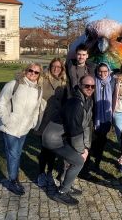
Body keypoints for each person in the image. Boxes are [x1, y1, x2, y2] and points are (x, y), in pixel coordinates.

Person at [0, 63, 43, 195]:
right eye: (31, 70)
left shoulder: (38, 90)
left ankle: (14, 178)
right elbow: (1, 102)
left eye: (36, 72)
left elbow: (36, 109)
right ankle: (13, 181)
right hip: (10, 127)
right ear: (25, 71)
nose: (33, 74)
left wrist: (32, 123)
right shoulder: (14, 84)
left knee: (16, 153)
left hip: (24, 128)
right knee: (14, 154)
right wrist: (6, 120)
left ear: (39, 75)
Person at [50, 75, 95, 206]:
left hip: (66, 137)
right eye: (87, 86)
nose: (90, 89)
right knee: (78, 162)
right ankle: (62, 193)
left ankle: (66, 185)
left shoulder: (87, 100)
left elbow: (87, 125)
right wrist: (81, 151)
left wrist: (86, 147)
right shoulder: (75, 103)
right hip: (55, 138)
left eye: (92, 86)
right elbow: (75, 131)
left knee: (73, 161)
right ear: (80, 86)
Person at [35, 58, 67, 188]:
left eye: (59, 67)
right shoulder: (43, 79)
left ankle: (49, 173)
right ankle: (41, 173)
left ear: (62, 69)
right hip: (44, 118)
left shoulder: (64, 82)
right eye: (54, 66)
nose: (56, 69)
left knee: (53, 148)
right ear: (50, 66)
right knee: (44, 148)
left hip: (57, 120)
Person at [86, 63, 115, 173]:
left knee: (102, 141)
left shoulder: (112, 81)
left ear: (108, 72)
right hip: (95, 115)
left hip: (106, 117)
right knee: (92, 140)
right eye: (100, 71)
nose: (102, 74)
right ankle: (88, 163)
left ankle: (97, 163)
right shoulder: (93, 81)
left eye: (105, 71)